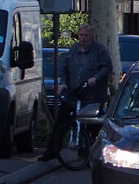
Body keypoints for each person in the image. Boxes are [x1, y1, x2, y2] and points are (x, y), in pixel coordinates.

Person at [42, 24, 114, 160]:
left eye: (86, 35)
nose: (83, 38)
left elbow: (107, 67)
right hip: (74, 95)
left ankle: (91, 152)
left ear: (91, 36)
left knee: (93, 127)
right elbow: (65, 69)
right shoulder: (73, 50)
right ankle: (52, 152)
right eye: (81, 35)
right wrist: (63, 84)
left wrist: (96, 78)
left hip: (92, 96)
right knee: (61, 123)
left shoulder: (100, 51)